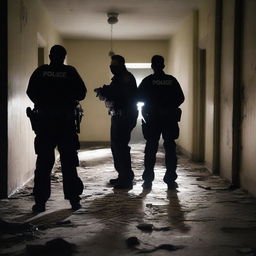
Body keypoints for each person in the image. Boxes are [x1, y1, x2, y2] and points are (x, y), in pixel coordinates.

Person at [26, 45, 87, 212]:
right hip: (65, 123)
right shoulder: (70, 71)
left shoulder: (41, 71)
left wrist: (45, 102)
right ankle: (74, 200)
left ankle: (40, 203)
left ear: (50, 55)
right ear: (64, 56)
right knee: (69, 162)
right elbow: (82, 93)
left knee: (44, 163)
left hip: (45, 123)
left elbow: (30, 92)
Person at [138, 55, 184, 190]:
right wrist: (168, 107)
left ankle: (147, 181)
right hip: (169, 119)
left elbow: (138, 97)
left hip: (153, 119)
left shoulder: (148, 81)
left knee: (151, 149)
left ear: (152, 66)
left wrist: (152, 104)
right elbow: (181, 98)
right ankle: (170, 180)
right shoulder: (171, 80)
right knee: (170, 149)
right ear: (163, 66)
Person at [94, 55, 138, 189]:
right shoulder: (120, 77)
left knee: (120, 147)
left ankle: (126, 180)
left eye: (114, 65)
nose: (112, 67)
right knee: (116, 146)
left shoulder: (125, 77)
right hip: (119, 115)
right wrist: (105, 91)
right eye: (111, 65)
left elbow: (120, 94)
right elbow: (115, 92)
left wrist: (105, 91)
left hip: (124, 116)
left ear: (121, 65)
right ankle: (123, 176)